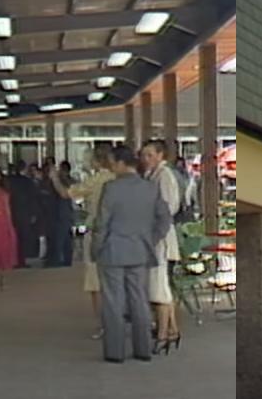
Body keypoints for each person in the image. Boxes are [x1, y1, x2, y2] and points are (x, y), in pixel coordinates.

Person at [92, 146, 172, 363]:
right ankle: (143, 348)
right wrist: (150, 238)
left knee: (113, 302)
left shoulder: (111, 188)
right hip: (140, 250)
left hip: (112, 250)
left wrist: (95, 249)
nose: (110, 166)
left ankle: (115, 351)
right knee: (139, 300)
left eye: (112, 162)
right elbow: (164, 219)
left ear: (120, 163)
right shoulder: (151, 188)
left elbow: (102, 223)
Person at [51, 147, 115, 340]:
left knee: (95, 281)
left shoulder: (95, 180)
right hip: (119, 234)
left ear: (97, 161)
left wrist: (54, 177)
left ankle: (103, 324)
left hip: (96, 232)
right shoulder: (119, 179)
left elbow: (66, 193)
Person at [141, 140, 182, 353]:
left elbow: (169, 207)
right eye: (143, 155)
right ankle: (172, 330)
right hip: (154, 235)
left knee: (159, 288)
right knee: (161, 285)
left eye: (149, 155)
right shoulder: (151, 175)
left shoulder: (164, 176)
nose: (145, 159)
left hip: (161, 237)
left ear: (160, 155)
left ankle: (163, 333)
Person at [45, 161, 77, 267]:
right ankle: (65, 260)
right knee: (65, 239)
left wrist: (55, 179)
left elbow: (63, 194)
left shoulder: (63, 183)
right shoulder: (70, 181)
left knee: (60, 239)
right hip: (65, 214)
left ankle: (57, 261)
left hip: (61, 214)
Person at [8, 160, 39, 268]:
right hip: (24, 212)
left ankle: (14, 259)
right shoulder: (28, 182)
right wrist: (33, 213)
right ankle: (21, 260)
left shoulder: (10, 181)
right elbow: (33, 198)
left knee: (14, 237)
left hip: (13, 211)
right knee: (23, 238)